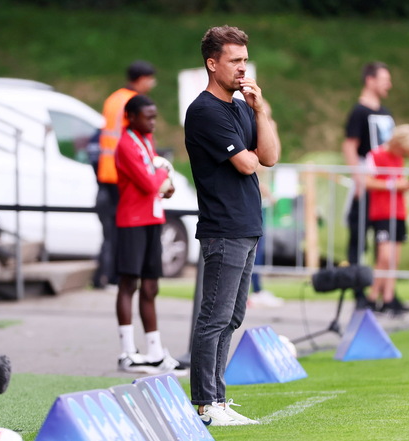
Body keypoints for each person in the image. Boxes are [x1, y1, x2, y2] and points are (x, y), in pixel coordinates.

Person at [184, 25, 280, 426]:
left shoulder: (241, 106)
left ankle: (218, 399)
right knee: (215, 316)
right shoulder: (205, 110)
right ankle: (206, 404)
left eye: (245, 60)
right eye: (234, 61)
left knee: (233, 317)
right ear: (212, 63)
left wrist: (259, 109)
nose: (243, 69)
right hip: (223, 226)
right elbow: (246, 162)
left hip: (245, 224)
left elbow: (270, 156)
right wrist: (251, 151)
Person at [114, 94, 185, 377]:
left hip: (153, 217)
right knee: (128, 283)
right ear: (131, 117)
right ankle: (127, 352)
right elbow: (146, 181)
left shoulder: (146, 140)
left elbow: (155, 181)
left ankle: (154, 352)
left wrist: (163, 181)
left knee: (151, 286)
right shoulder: (125, 143)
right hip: (132, 220)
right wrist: (162, 172)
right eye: (148, 117)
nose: (153, 122)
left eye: (155, 116)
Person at [93, 60, 157, 289]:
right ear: (141, 79)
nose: (152, 83)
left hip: (107, 170)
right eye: (150, 79)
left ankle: (103, 276)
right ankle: (115, 277)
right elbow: (133, 138)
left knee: (111, 230)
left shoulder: (113, 99)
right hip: (125, 172)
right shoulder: (132, 103)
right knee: (125, 230)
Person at [342, 61, 395, 309]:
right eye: (384, 79)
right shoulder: (359, 112)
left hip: (383, 187)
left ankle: (384, 291)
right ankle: (358, 290)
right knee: (358, 240)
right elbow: (350, 146)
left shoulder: (385, 113)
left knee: (384, 242)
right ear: (370, 80)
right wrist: (359, 179)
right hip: (367, 182)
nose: (389, 84)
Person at [364, 124, 409, 314]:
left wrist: (407, 185)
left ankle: (388, 298)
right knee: (384, 257)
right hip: (382, 212)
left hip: (399, 212)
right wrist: (392, 185)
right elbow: (368, 181)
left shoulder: (399, 159)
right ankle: (372, 296)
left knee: (394, 259)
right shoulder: (376, 155)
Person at [248, 102, 284, 309]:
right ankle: (255, 290)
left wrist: (272, 128)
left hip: (261, 202)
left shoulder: (266, 131)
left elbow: (275, 156)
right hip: (255, 200)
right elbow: (257, 167)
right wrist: (265, 190)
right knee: (255, 249)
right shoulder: (252, 135)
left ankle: (258, 289)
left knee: (259, 248)